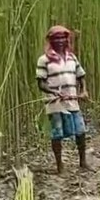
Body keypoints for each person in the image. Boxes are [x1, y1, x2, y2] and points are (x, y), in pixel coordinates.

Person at [35, 25, 91, 173]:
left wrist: (84, 90)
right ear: (51, 41)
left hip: (73, 100)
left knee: (81, 131)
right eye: (56, 38)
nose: (60, 41)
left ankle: (83, 162)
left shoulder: (72, 57)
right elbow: (41, 83)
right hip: (55, 102)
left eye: (63, 38)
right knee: (57, 133)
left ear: (67, 40)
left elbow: (81, 75)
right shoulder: (44, 59)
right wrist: (53, 91)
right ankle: (60, 166)